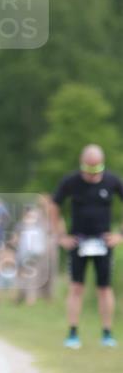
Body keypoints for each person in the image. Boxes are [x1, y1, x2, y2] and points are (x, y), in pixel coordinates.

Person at [50, 144, 123, 348]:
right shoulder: (71, 182)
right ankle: (73, 333)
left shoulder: (112, 180)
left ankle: (107, 333)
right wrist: (60, 236)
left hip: (103, 242)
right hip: (78, 242)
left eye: (96, 168)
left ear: (102, 165)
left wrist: (120, 235)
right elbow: (54, 205)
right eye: (88, 168)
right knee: (76, 287)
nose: (92, 174)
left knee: (104, 288)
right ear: (82, 164)